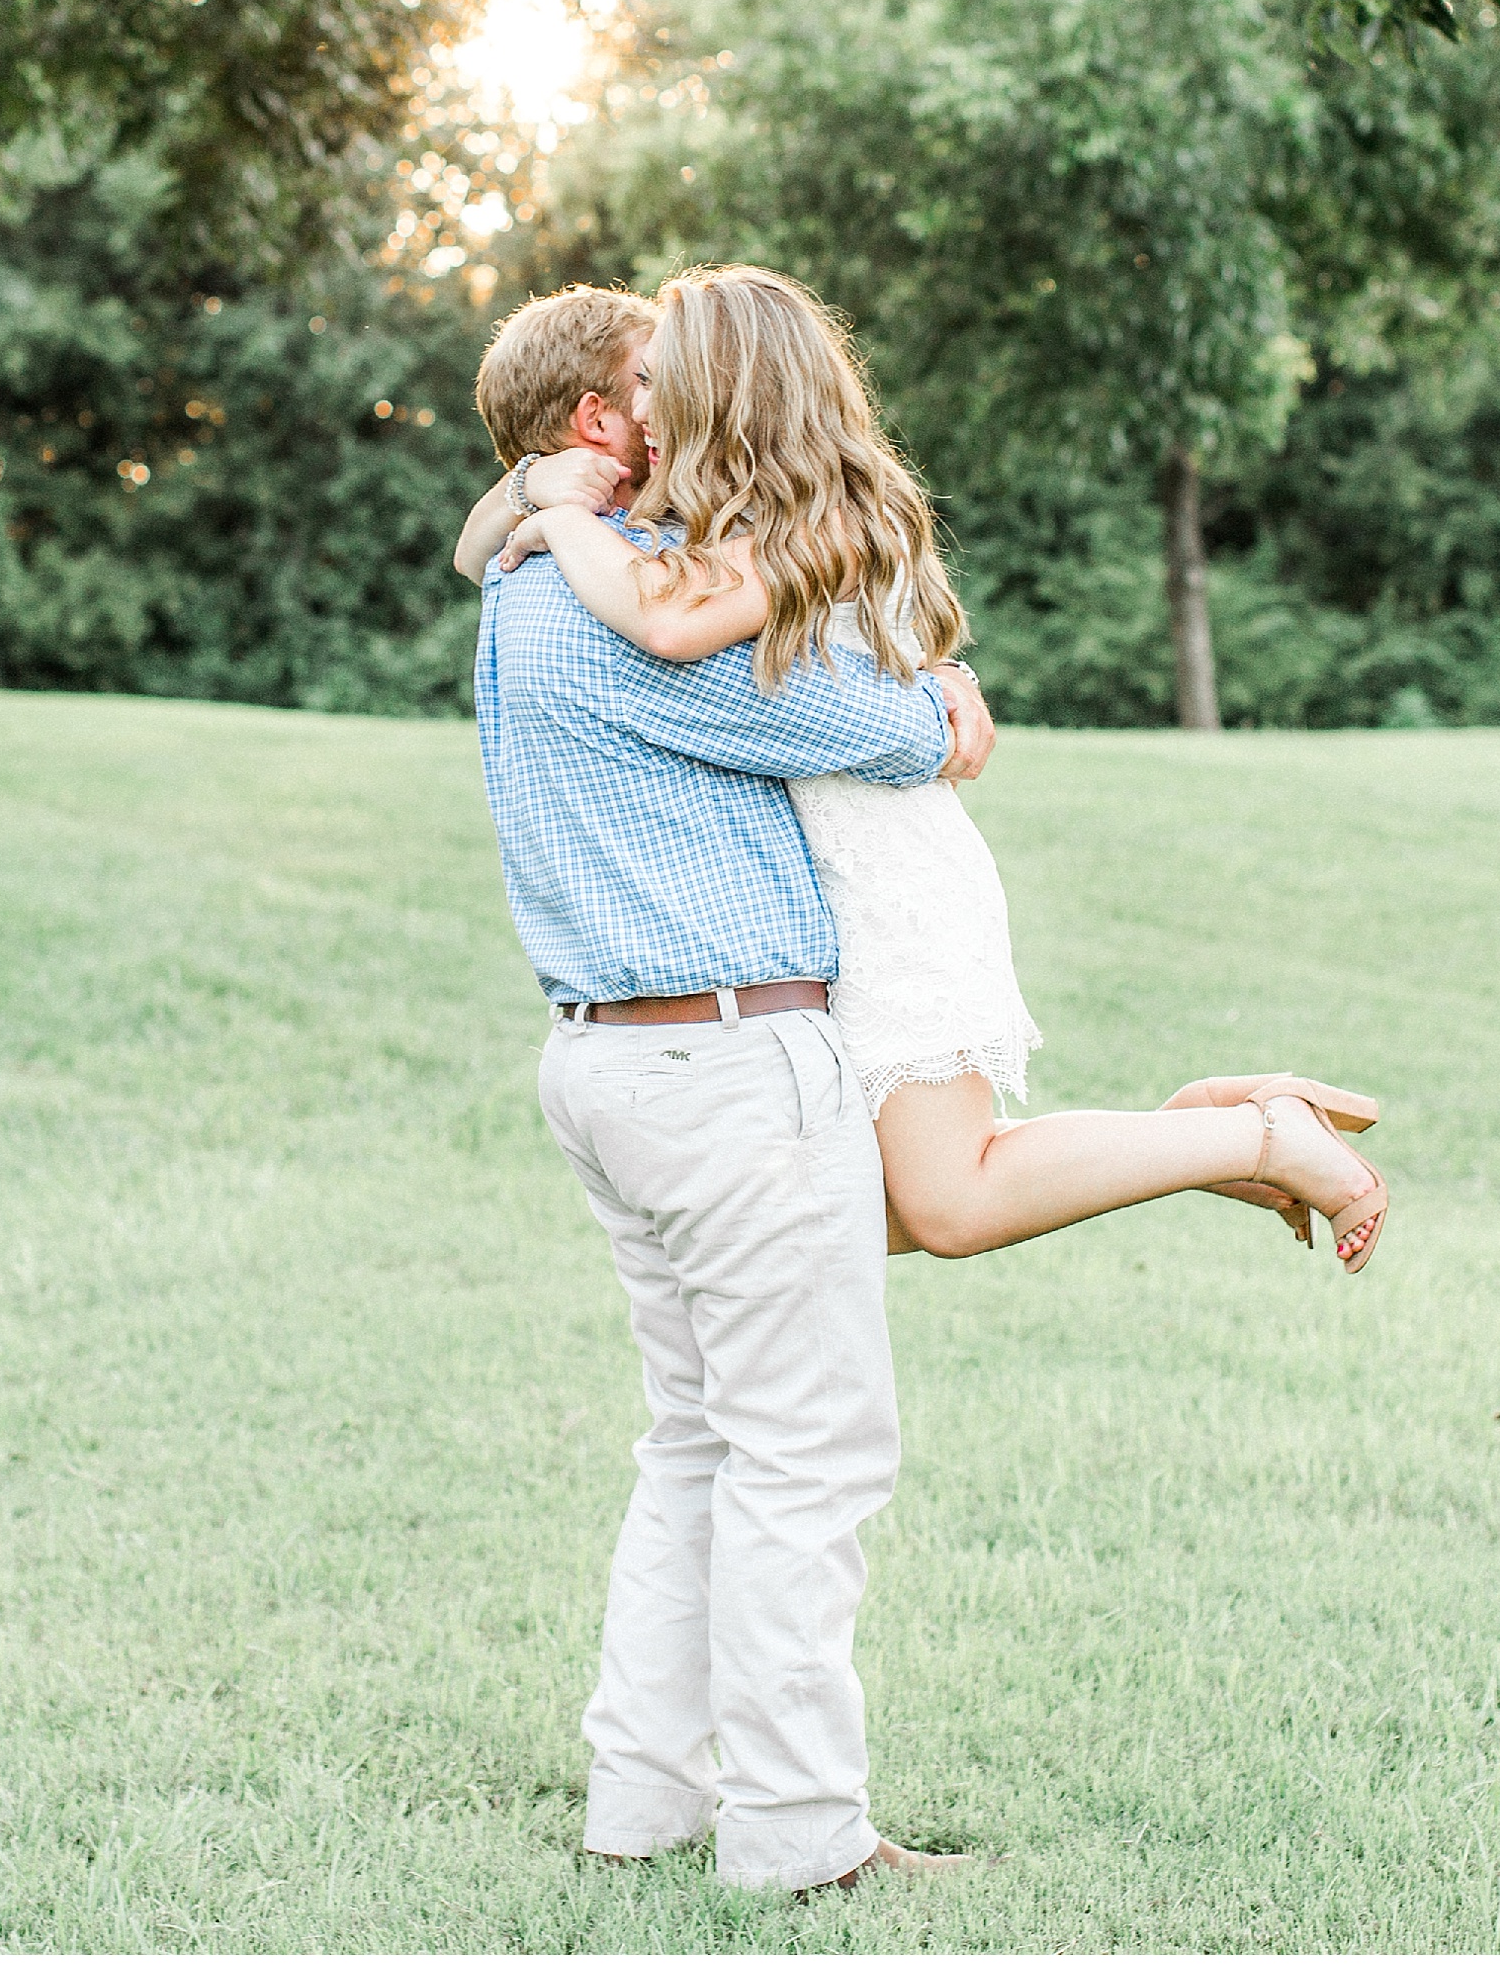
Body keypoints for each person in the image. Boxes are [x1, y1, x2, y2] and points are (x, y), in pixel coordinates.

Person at [472, 265, 1389, 1278]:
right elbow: (481, 548)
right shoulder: (720, 523)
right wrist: (527, 489)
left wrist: (554, 518)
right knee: (858, 1208)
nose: (644, 407)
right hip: (825, 882)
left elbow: (664, 619)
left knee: (942, 1203)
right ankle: (1194, 1135)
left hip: (887, 876)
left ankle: (1258, 1135)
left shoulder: (806, 526)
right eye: (635, 384)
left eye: (660, 379)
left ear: (724, 391)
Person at [466, 283, 996, 1896]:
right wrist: (936, 698)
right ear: (597, 425)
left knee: (698, 1445)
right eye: (652, 386)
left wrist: (538, 508)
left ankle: (643, 1803)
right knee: (806, 1456)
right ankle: (799, 1841)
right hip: (726, 1061)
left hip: (620, 1062)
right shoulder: (604, 604)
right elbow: (873, 727)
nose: (682, 405)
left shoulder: (532, 579)